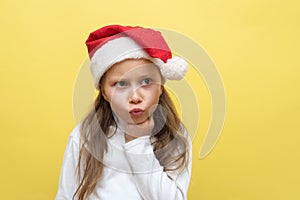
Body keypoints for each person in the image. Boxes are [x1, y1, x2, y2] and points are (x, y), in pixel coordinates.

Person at [55, 25, 192, 200]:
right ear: (104, 92)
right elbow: (66, 196)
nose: (135, 97)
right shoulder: (83, 136)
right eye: (121, 84)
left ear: (160, 87)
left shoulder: (175, 136)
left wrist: (138, 142)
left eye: (146, 81)